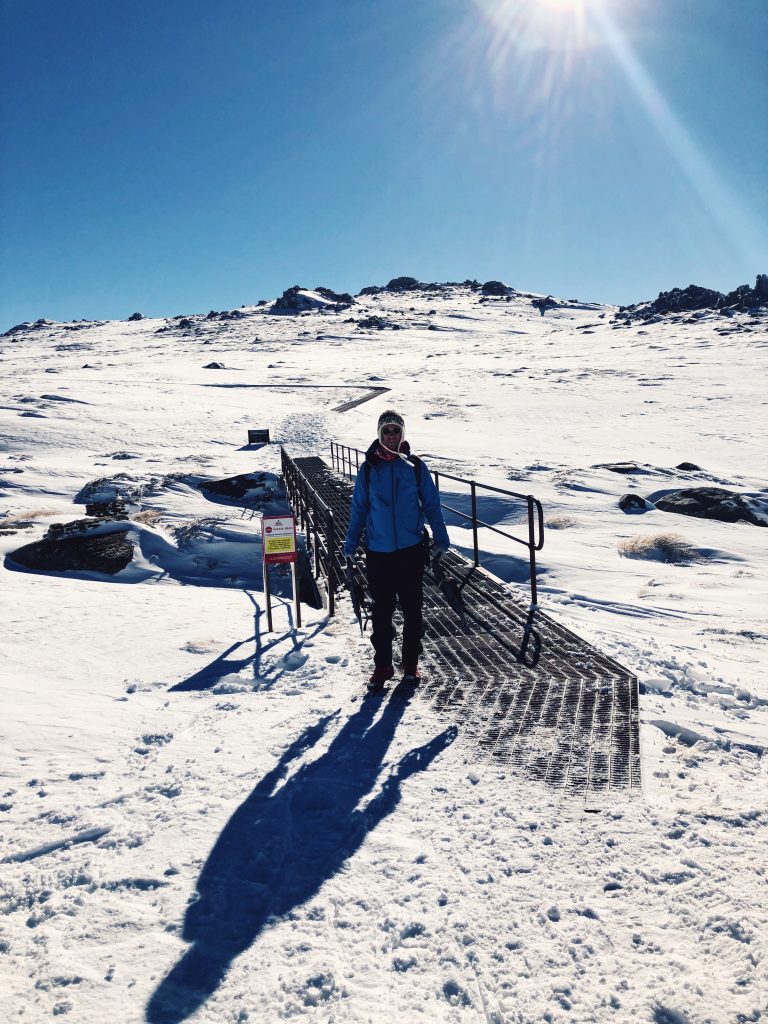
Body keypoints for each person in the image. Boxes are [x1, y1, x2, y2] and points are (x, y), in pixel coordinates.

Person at [343, 410, 450, 688]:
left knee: (413, 609)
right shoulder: (368, 470)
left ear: (403, 434)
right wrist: (350, 543)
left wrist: (441, 537)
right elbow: (359, 510)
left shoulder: (415, 467)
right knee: (381, 611)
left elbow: (431, 503)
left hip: (411, 550)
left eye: (396, 431)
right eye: (387, 431)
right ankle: (383, 666)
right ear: (379, 434)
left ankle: (411, 665)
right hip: (378, 551)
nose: (392, 435)